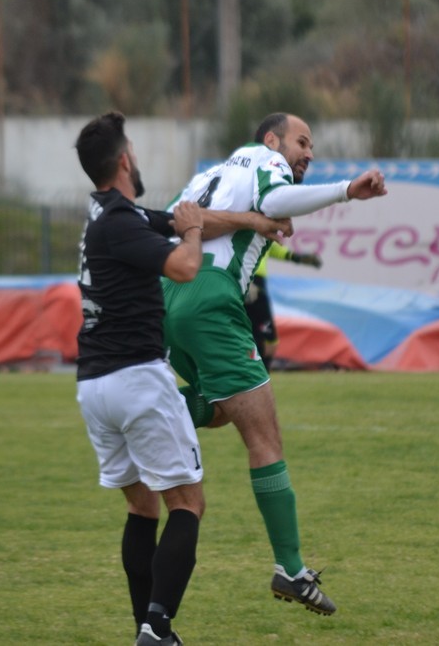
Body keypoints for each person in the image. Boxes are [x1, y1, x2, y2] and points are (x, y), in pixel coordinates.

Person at [74, 111, 291, 646]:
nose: (137, 157)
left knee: (141, 505)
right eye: (133, 150)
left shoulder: (106, 214)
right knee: (188, 504)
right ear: (124, 161)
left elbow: (177, 221)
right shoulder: (120, 222)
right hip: (136, 379)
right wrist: (193, 231)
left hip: (93, 385)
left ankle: (143, 629)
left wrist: (249, 221)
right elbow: (184, 265)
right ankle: (158, 626)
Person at [163, 112, 387, 616]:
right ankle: (291, 569)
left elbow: (173, 223)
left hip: (168, 298)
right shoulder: (265, 162)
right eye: (302, 142)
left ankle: (149, 410)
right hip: (211, 299)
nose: (309, 153)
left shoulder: (209, 176)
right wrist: (346, 191)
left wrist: (249, 223)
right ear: (271, 140)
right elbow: (275, 201)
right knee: (265, 439)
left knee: (221, 407)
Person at [245, 243, 323, 371]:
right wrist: (246, 281)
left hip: (254, 285)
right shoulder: (245, 234)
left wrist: (297, 257)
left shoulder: (263, 237)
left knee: (264, 339)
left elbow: (274, 249)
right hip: (249, 284)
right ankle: (257, 375)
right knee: (264, 339)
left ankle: (256, 374)